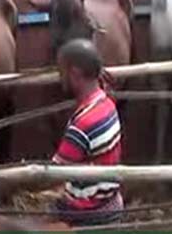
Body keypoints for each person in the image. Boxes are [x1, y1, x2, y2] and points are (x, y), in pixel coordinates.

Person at [52, 39, 123, 226]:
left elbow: (52, 174)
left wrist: (14, 184)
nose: (60, 78)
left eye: (62, 72)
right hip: (110, 199)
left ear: (75, 74)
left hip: (88, 211)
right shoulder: (106, 102)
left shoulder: (82, 125)